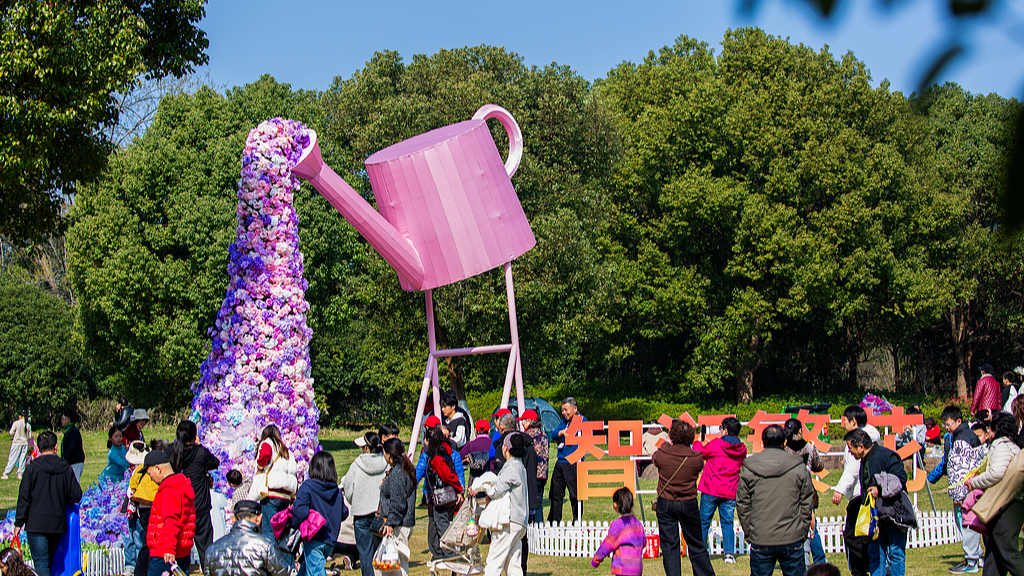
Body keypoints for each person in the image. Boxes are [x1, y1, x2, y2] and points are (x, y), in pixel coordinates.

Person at [737, 424, 813, 576]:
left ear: (762, 442)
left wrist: (750, 531)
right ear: (785, 442)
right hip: (792, 535)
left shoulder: (751, 466)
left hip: (762, 535)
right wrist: (802, 530)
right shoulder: (798, 466)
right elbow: (806, 502)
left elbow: (743, 504)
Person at [12, 430, 83, 576]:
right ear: (55, 447)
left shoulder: (32, 469)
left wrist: (19, 522)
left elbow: (24, 497)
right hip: (57, 524)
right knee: (49, 562)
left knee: (41, 563)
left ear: (38, 448)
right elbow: (76, 495)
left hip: (36, 523)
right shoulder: (65, 467)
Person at [963, 410, 1024, 576]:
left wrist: (974, 482)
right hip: (1010, 503)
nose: (988, 431)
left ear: (998, 430)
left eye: (991, 428)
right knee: (994, 557)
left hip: (1004, 506)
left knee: (1007, 553)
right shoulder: (1014, 446)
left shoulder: (1001, 446)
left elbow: (997, 473)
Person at [845, 428, 912, 576]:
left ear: (861, 447)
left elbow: (901, 478)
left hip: (893, 514)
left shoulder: (887, 455)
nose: (850, 453)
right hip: (876, 517)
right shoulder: (864, 460)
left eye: (851, 449)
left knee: (895, 553)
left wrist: (880, 489)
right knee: (875, 553)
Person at [652, 419, 714, 576]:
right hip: (688, 502)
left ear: (672, 436)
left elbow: (655, 457)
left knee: (670, 545)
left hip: (665, 502)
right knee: (696, 544)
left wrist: (666, 445)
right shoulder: (696, 458)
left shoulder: (663, 454)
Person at [936, 405, 988, 574]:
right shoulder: (967, 436)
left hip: (965, 492)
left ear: (958, 421)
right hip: (970, 489)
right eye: (944, 425)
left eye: (948, 425)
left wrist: (959, 495)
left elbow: (961, 470)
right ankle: (976, 556)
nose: (946, 429)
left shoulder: (961, 441)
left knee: (967, 524)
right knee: (968, 523)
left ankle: (972, 558)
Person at [830, 405, 880, 576]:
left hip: (860, 495)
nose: (843, 423)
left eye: (845, 420)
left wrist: (839, 490)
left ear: (854, 421)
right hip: (864, 494)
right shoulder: (863, 439)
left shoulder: (860, 441)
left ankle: (860, 570)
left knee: (853, 535)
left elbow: (852, 468)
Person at [693, 416, 746, 564]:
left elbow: (701, 452)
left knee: (704, 521)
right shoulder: (742, 449)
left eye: (721, 429)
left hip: (711, 489)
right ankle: (729, 553)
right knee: (727, 522)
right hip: (730, 491)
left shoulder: (716, 444)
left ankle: (702, 552)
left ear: (725, 430)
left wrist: (699, 442)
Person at [168, 420, 220, 569]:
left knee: (179, 545)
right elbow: (215, 462)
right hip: (200, 506)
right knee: (205, 546)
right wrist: (199, 445)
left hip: (179, 505)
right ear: (194, 435)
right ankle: (208, 571)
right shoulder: (200, 453)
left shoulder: (172, 451)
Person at [478, 433, 530, 576]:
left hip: (508, 522)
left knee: (494, 562)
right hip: (520, 521)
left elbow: (495, 491)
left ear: (506, 448)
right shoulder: (521, 467)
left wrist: (482, 486)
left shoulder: (511, 468)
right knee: (513, 564)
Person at [293, 451, 348, 576]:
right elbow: (344, 513)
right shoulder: (336, 491)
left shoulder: (307, 487)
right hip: (330, 541)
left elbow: (300, 511)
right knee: (305, 571)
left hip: (314, 539)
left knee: (317, 573)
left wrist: (292, 524)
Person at [204, 499, 292, 576]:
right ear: (259, 519)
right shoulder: (266, 545)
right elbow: (283, 573)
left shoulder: (212, 550)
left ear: (233, 519)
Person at [342, 432, 388, 576]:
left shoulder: (356, 466)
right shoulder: (385, 463)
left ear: (367, 448)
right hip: (379, 513)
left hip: (361, 513)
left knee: (365, 553)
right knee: (381, 551)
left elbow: (348, 489)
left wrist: (354, 501)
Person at [144, 449, 196, 576]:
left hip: (165, 552)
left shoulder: (169, 490)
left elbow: (171, 521)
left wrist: (169, 549)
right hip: (180, 549)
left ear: (158, 468)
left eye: (151, 475)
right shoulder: (180, 486)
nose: (152, 479)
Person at [783, 418, 825, 566]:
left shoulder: (784, 448)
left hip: (788, 490)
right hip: (806, 489)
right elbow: (819, 466)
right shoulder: (807, 447)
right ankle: (819, 558)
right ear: (800, 430)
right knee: (811, 524)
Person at [248, 425, 297, 541]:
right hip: (285, 496)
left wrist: (260, 467)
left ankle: (270, 558)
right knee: (282, 531)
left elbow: (265, 454)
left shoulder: (267, 443)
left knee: (269, 531)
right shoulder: (286, 451)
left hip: (271, 493)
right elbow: (293, 471)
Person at [423, 426, 463, 565]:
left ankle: (449, 552)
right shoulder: (443, 452)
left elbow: (447, 475)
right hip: (440, 495)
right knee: (434, 523)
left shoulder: (437, 457)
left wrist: (459, 488)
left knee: (441, 523)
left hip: (441, 495)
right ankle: (437, 552)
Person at [379, 438, 416, 576]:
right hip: (402, 523)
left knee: (397, 567)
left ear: (389, 455)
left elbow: (398, 502)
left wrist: (390, 522)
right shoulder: (405, 468)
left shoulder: (398, 473)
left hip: (398, 525)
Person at [548, 397, 587, 523]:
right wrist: (560, 433)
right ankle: (554, 521)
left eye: (566, 410)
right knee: (555, 494)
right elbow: (553, 434)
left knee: (575, 495)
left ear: (575, 409)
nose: (564, 413)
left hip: (574, 462)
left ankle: (577, 520)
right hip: (560, 461)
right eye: (562, 410)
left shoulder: (582, 421)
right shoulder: (564, 422)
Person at [591, 487, 644, 576]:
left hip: (623, 569)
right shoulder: (638, 524)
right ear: (632, 504)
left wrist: (596, 559)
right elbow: (644, 541)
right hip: (637, 569)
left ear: (615, 505)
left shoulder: (617, 525)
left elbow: (607, 545)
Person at [521, 410, 549, 523]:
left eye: (523, 420)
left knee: (529, 502)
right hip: (543, 474)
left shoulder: (527, 435)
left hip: (531, 473)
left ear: (528, 421)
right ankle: (539, 528)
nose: (522, 423)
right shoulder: (544, 435)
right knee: (539, 502)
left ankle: (531, 526)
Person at [461, 419, 494, 484]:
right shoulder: (493, 444)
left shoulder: (470, 445)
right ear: (489, 431)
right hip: (490, 480)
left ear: (476, 431)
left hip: (474, 482)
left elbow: (459, 458)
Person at [3, 410, 30, 480]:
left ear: (20, 416)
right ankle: (20, 473)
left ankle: (6, 473)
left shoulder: (16, 423)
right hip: (24, 443)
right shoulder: (27, 425)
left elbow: (11, 432)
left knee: (13, 458)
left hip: (16, 443)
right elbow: (29, 436)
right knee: (22, 459)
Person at [59, 408, 85, 481]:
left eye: (63, 418)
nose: (62, 420)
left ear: (68, 419)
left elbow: (71, 448)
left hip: (75, 462)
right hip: (71, 462)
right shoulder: (68, 431)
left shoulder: (73, 432)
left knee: (74, 483)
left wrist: (65, 461)